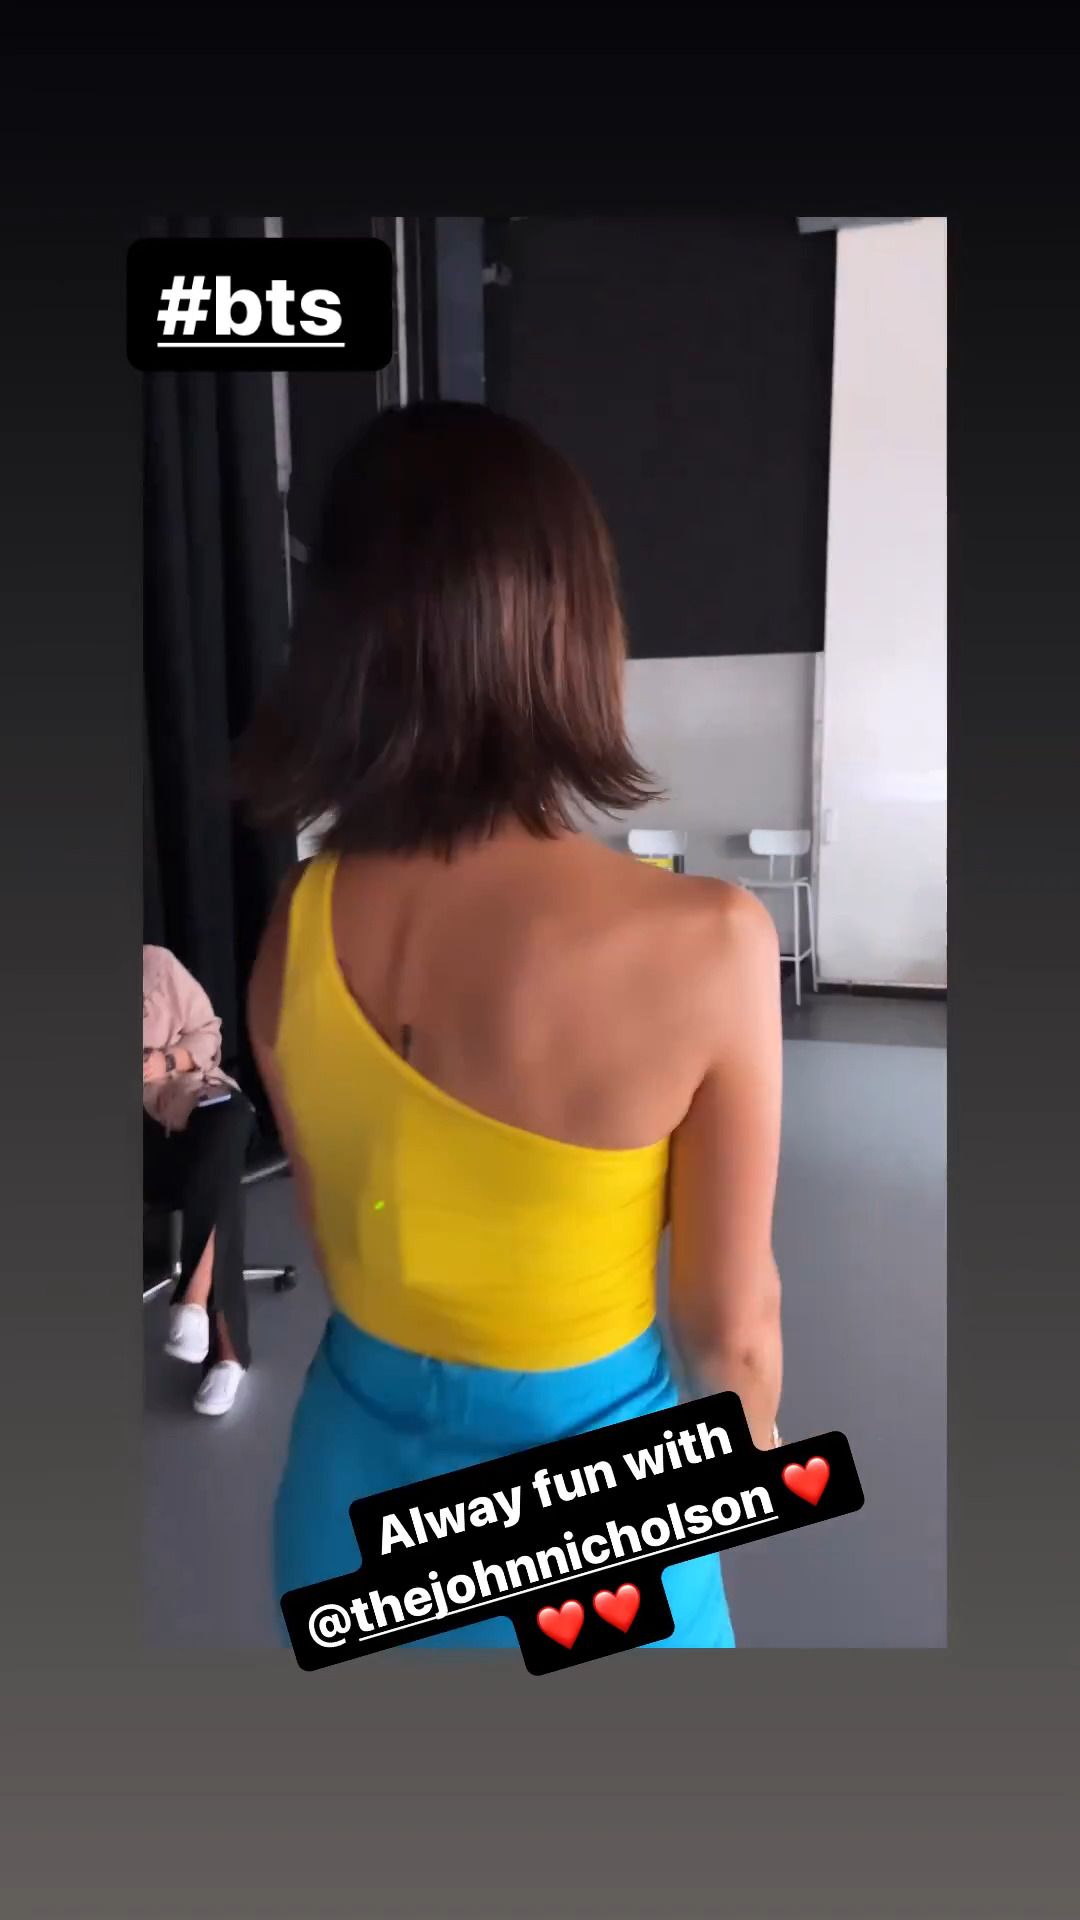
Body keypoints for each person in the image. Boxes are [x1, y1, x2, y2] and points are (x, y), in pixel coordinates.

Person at [237, 401, 784, 1647]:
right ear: (568, 626)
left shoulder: (298, 922)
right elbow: (734, 1334)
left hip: (343, 1502)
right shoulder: (709, 941)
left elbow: (350, 1234)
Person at [143, 945, 255, 1416]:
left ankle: (193, 1302)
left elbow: (208, 1032)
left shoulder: (155, 965)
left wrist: (166, 1062)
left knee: (230, 1120)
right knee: (219, 1171)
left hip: (186, 1110)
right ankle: (227, 1354)